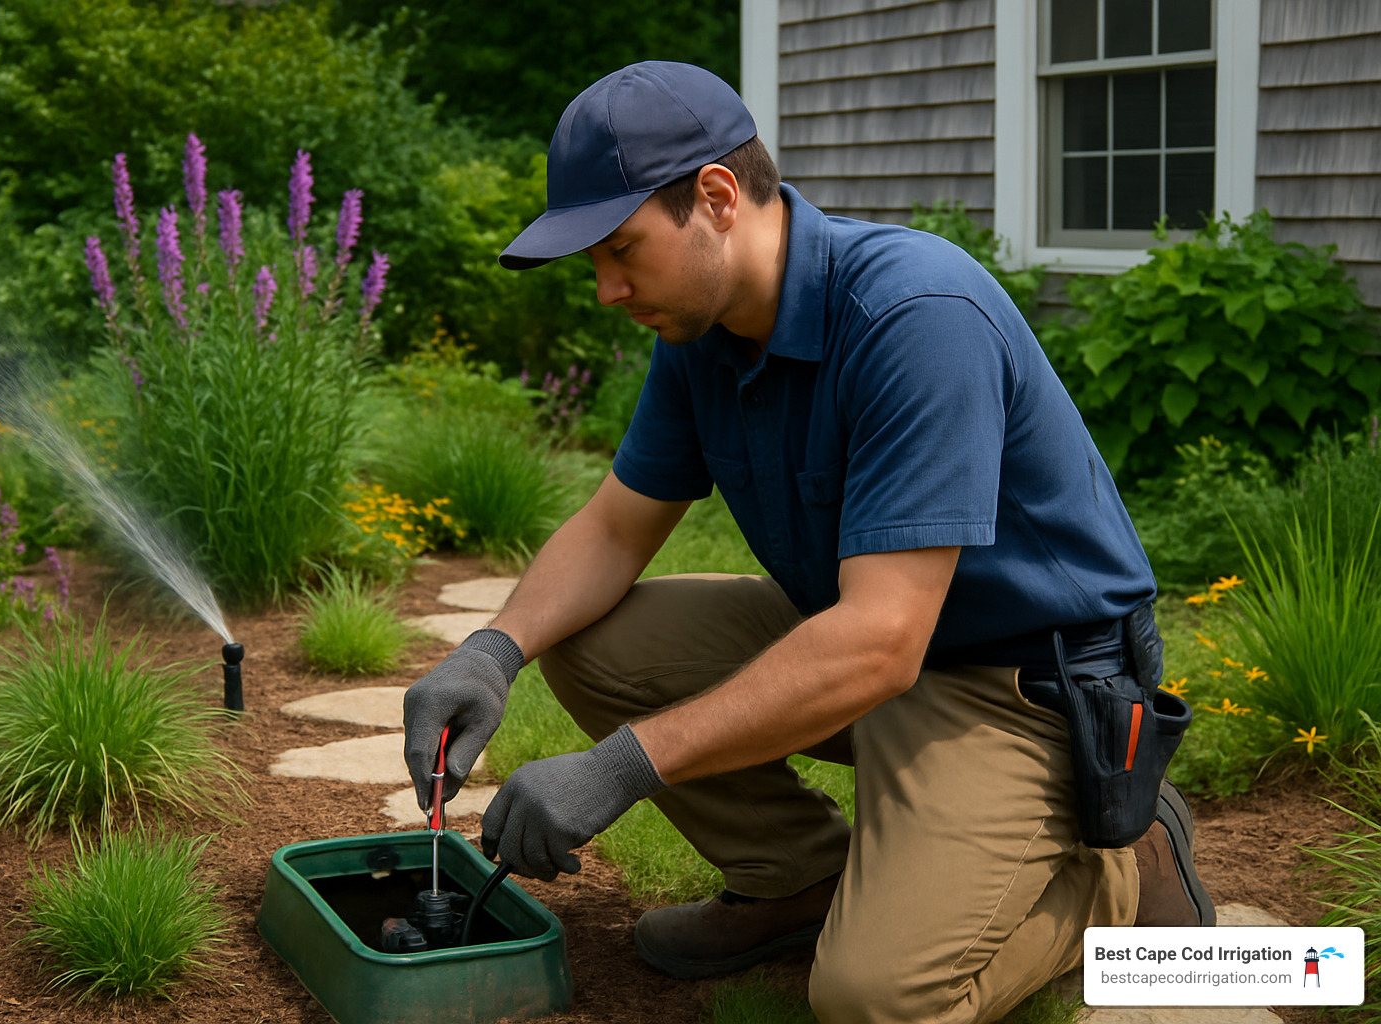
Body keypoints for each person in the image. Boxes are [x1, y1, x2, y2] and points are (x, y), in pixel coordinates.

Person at [401, 61, 1214, 1024]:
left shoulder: (914, 318)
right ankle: (799, 880)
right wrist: (491, 653)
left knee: (874, 1000)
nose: (607, 290)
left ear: (716, 197)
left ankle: (1119, 875)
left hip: (1024, 688)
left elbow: (881, 641)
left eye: (622, 249)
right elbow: (618, 525)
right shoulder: (699, 332)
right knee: (593, 642)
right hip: (882, 647)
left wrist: (619, 767)